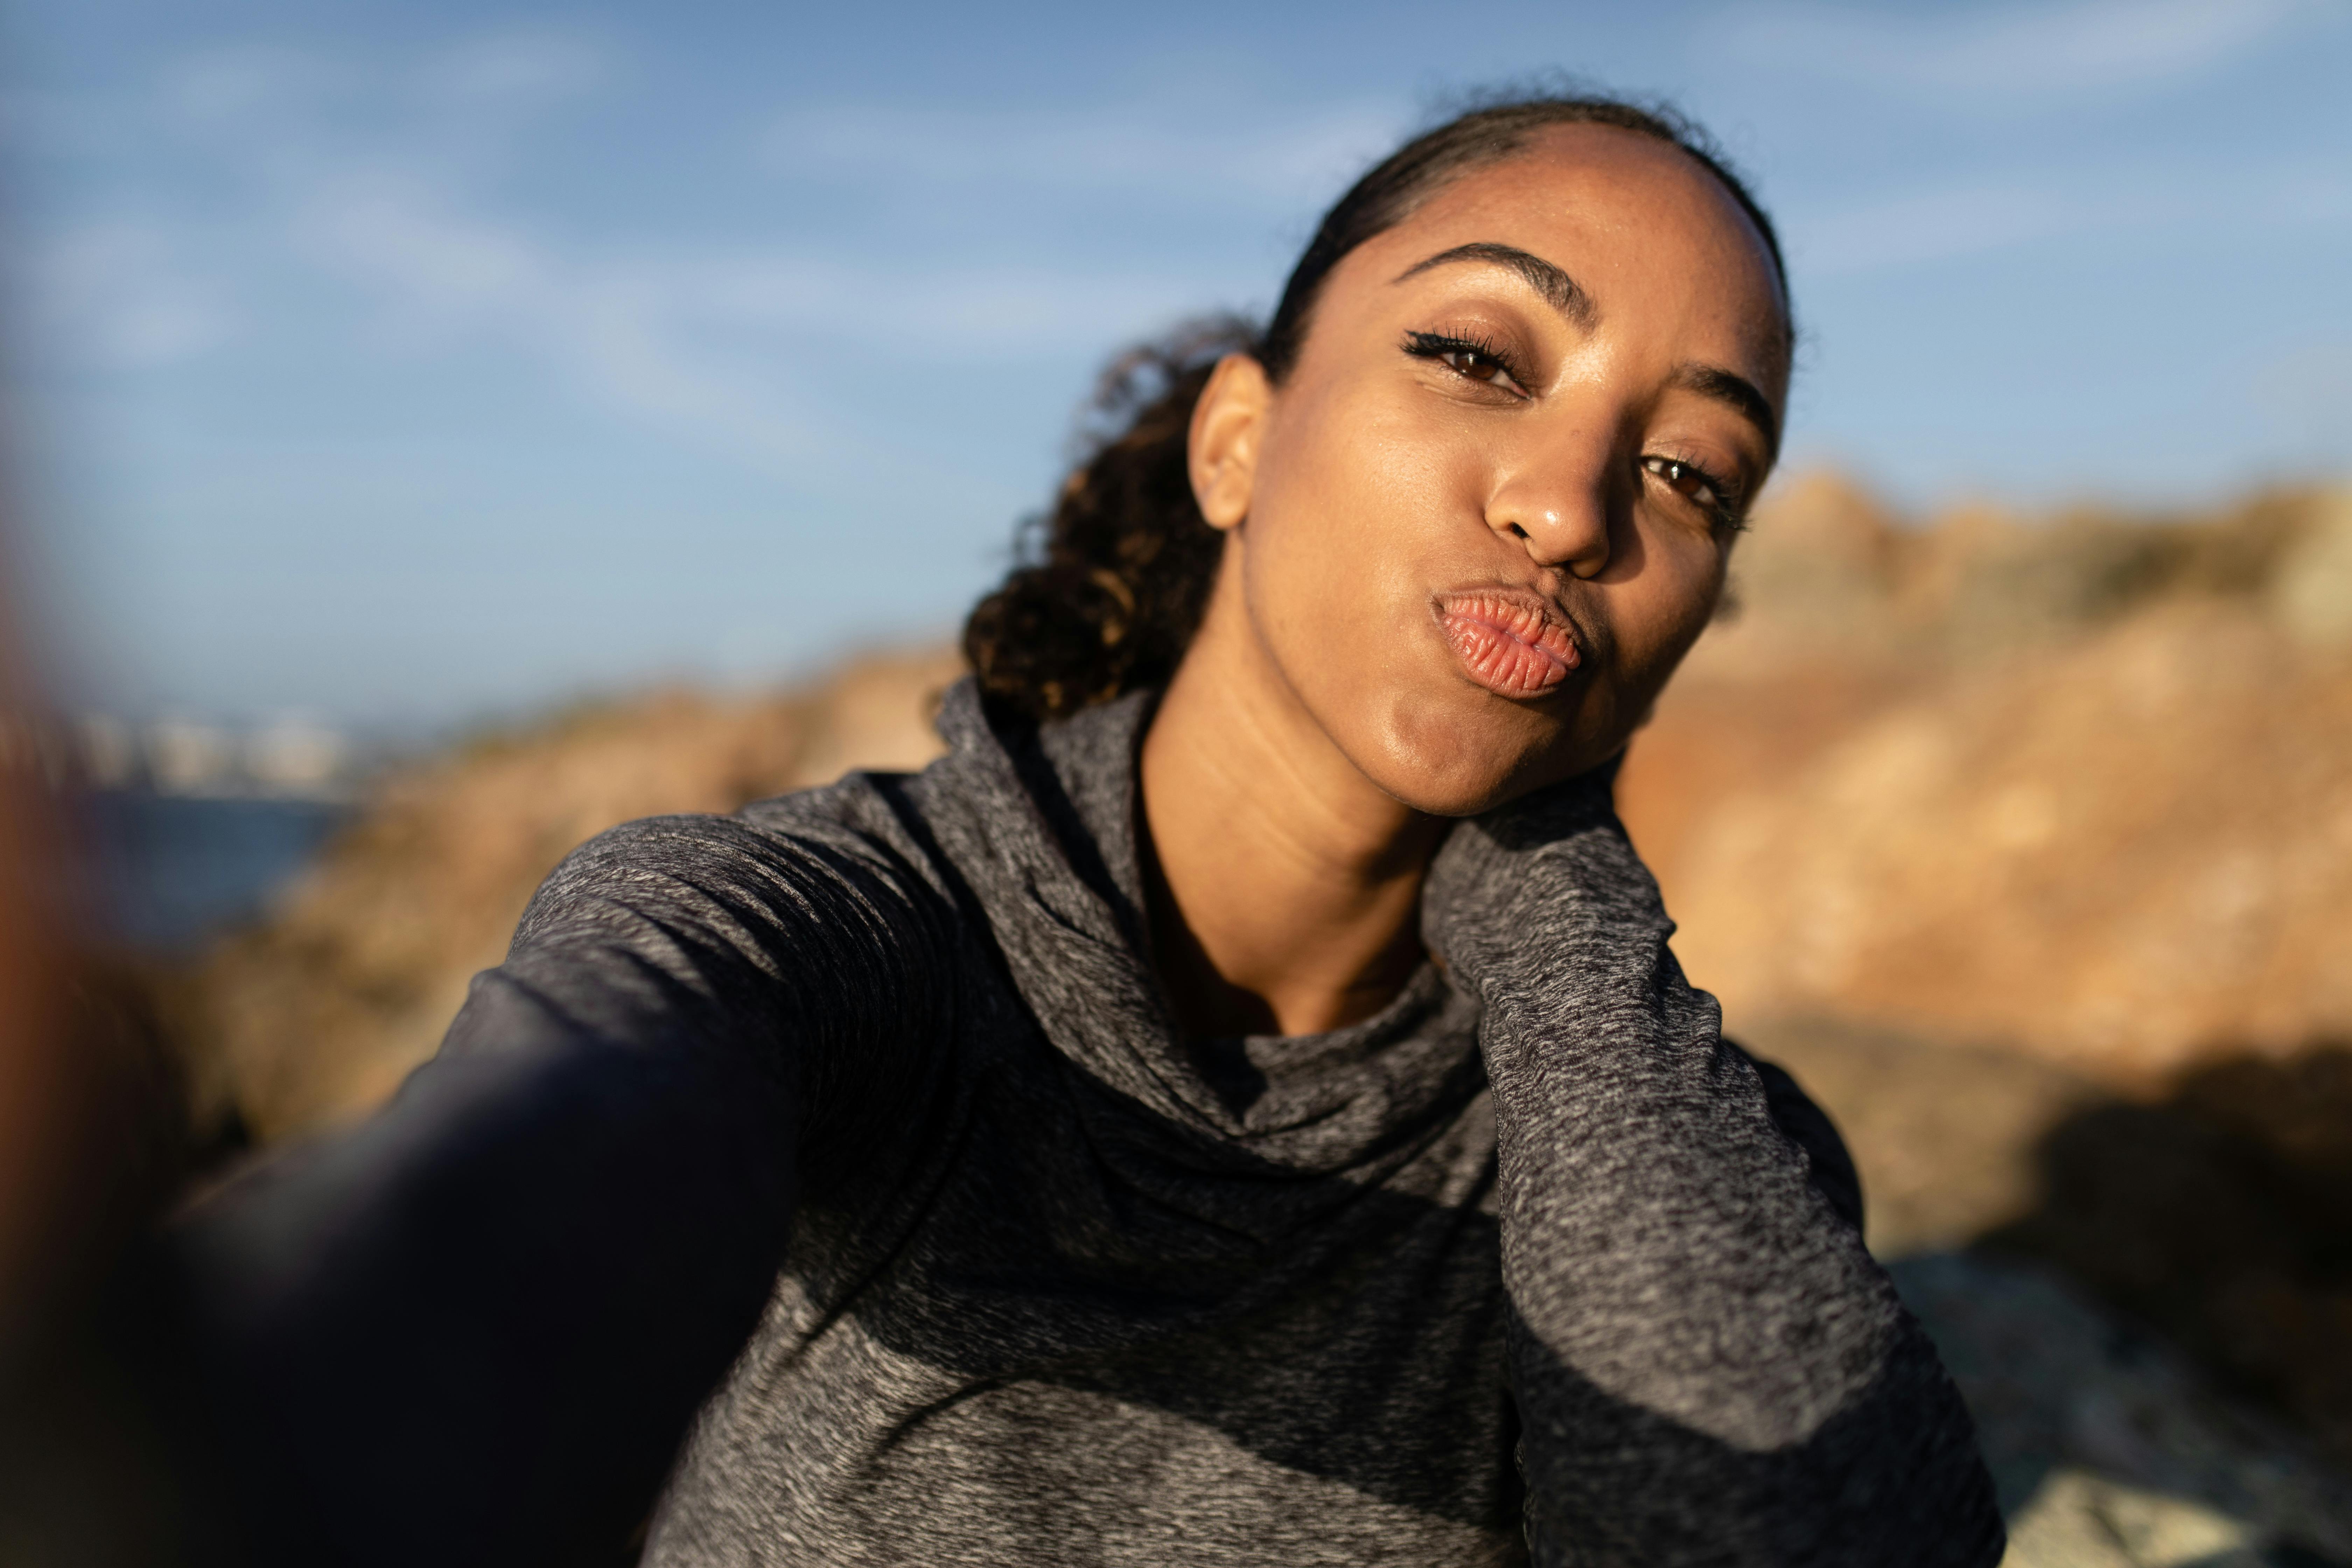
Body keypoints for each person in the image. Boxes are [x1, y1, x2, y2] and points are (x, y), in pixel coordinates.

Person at [151, 94, 2005, 1566]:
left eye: (1690, 472)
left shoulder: (1682, 1141)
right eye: (1479, 356)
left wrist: (1558, 890)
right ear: (1236, 446)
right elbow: (497, 1241)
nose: (1574, 504)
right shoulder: (830, 937)